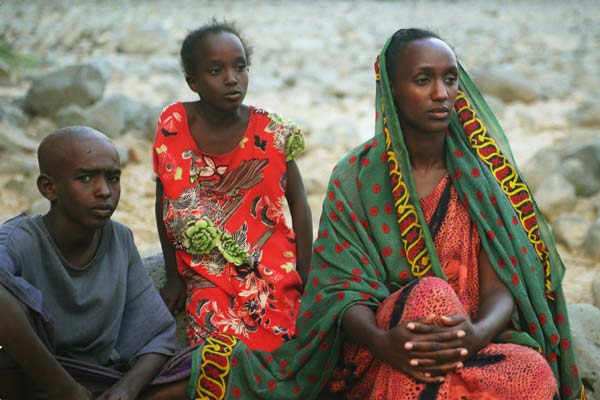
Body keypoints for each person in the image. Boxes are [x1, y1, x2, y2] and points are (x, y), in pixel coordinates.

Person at [183, 29, 586, 400]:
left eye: (449, 79)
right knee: (430, 294)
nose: (442, 93)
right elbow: (338, 289)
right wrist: (381, 340)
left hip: (466, 345)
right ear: (392, 88)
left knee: (534, 373)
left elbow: (501, 286)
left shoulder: (481, 178)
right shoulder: (357, 177)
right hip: (382, 346)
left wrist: (476, 334)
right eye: (423, 80)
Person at [153, 20, 312, 352]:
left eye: (240, 67)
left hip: (272, 268)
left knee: (285, 354)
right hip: (207, 269)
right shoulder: (176, 123)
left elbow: (299, 203)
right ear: (193, 82)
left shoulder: (270, 130)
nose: (231, 79)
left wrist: (305, 276)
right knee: (216, 356)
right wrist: (172, 275)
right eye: (216, 70)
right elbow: (166, 199)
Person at [0, 126, 191, 400]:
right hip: (36, 377)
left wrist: (126, 390)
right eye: (86, 178)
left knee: (217, 362)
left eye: (113, 178)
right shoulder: (19, 240)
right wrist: (64, 389)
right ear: (49, 188)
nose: (104, 191)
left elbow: (157, 338)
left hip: (97, 380)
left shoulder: (119, 240)